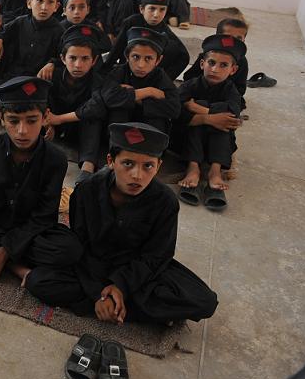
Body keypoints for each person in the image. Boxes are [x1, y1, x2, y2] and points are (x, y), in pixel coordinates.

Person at [26, 122, 219, 325]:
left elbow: (156, 256)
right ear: (111, 161)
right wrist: (100, 294)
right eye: (128, 163)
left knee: (204, 301)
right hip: (92, 265)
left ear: (159, 166)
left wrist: (120, 286)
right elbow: (80, 247)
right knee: (39, 281)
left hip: (137, 270)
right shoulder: (86, 191)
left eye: (148, 166)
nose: (137, 175)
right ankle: (123, 309)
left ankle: (110, 306)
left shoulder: (165, 202)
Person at [0, 76, 82, 283]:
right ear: (1, 117)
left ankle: (3, 259)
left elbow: (44, 217)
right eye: (13, 121)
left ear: (45, 117)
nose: (22, 131)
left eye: (31, 120)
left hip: (29, 233)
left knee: (70, 250)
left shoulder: (55, 159)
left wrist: (4, 252)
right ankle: (12, 262)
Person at [175, 34, 244, 205]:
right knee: (203, 120)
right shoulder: (189, 85)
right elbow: (175, 112)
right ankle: (193, 167)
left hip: (218, 139)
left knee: (224, 123)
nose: (215, 69)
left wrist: (198, 109)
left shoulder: (231, 90)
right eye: (211, 63)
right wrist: (206, 119)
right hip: (190, 137)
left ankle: (215, 170)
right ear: (202, 64)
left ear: (233, 70)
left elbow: (233, 114)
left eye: (223, 65)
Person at [45, 24, 108, 184]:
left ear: (94, 61)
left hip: (79, 129)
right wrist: (48, 122)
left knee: (93, 118)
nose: (78, 65)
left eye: (85, 58)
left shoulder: (97, 81)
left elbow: (96, 107)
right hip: (53, 126)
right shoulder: (53, 75)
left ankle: (88, 165)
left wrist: (58, 119)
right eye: (72, 58)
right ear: (62, 58)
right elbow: (42, 99)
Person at [101, 27, 180, 135]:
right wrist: (149, 92)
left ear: (158, 60)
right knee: (119, 109)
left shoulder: (160, 76)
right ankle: (116, 150)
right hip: (120, 130)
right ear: (127, 56)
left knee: (158, 118)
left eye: (148, 58)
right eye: (135, 57)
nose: (141, 65)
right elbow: (109, 98)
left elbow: (174, 109)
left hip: (147, 130)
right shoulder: (119, 72)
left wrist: (133, 96)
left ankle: (150, 151)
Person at [102, 0, 190, 80]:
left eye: (162, 9)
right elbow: (117, 48)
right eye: (152, 8)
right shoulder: (131, 22)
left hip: (148, 75)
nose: (156, 14)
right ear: (142, 9)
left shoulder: (165, 31)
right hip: (126, 71)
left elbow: (184, 57)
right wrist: (105, 72)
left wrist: (164, 79)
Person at [0, 0, 63, 81]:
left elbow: (63, 54)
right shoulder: (20, 22)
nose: (44, 7)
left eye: (50, 2)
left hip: (39, 80)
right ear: (29, 3)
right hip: (13, 76)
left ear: (56, 6)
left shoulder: (59, 31)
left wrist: (53, 63)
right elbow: (2, 31)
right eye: (40, 0)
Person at [183, 18, 250, 109]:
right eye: (228, 38)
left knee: (237, 106)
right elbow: (189, 77)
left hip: (224, 95)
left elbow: (240, 89)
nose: (234, 42)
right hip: (200, 90)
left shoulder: (242, 61)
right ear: (218, 37)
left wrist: (224, 89)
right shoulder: (207, 55)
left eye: (239, 38)